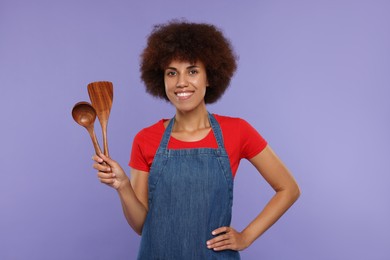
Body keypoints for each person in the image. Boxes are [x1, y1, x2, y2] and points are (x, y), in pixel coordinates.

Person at [92, 20, 300, 259]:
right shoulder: (146, 139)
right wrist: (123, 186)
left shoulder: (238, 130)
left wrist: (247, 236)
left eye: (192, 71)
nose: (181, 82)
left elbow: (288, 189)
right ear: (162, 80)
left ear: (209, 77)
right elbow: (142, 226)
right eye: (172, 73)